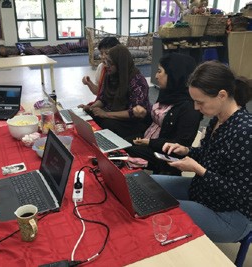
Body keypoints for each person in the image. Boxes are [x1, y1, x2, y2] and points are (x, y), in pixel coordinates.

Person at [151, 60, 252, 243]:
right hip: (204, 191)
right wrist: (186, 150)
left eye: (200, 102)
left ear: (222, 95)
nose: (196, 108)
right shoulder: (218, 118)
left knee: (160, 210)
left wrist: (199, 170)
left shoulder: (245, 133)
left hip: (229, 214)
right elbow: (210, 156)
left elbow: (240, 193)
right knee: (147, 184)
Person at [125, 52, 203, 175]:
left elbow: (180, 145)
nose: (156, 76)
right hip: (148, 141)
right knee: (118, 143)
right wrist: (144, 114)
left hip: (161, 154)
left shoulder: (190, 107)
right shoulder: (168, 93)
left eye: (160, 71)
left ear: (174, 75)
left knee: (123, 150)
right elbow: (155, 120)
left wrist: (150, 142)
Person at [79, 44, 151, 138]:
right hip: (113, 114)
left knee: (108, 124)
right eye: (106, 62)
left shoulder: (137, 81)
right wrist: (91, 107)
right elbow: (103, 98)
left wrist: (106, 114)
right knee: (89, 115)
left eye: (111, 63)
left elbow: (134, 113)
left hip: (131, 122)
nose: (107, 65)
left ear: (120, 64)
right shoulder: (110, 75)